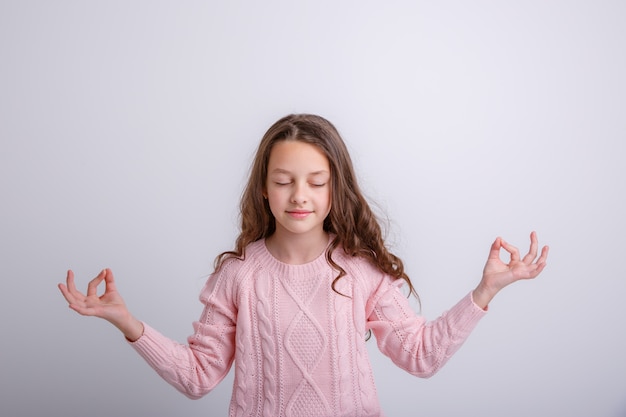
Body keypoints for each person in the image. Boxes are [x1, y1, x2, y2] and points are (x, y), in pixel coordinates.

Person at [58, 113, 549, 417]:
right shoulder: (238, 276)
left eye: (316, 181)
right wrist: (127, 322)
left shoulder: (360, 271)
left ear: (336, 188)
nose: (299, 196)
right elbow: (198, 377)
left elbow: (421, 356)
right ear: (264, 189)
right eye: (284, 180)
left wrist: (484, 292)